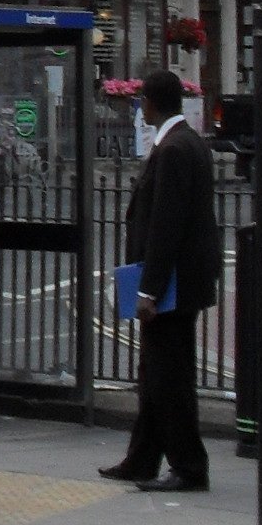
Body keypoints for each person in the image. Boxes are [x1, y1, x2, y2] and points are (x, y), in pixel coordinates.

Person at [101, 70, 222, 491]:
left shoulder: (172, 149)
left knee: (169, 378)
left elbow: (166, 226)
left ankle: (189, 466)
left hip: (170, 286)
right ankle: (142, 459)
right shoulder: (188, 142)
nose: (140, 108)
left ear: (150, 103)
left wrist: (148, 290)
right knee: (154, 373)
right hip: (182, 282)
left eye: (141, 101)